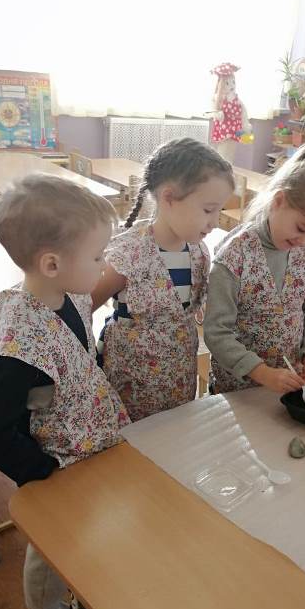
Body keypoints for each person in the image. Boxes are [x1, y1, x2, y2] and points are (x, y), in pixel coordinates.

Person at [0, 174, 129, 609]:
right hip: (57, 459)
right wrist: (37, 470)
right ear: (51, 263)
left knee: (80, 528)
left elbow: (73, 354)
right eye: (97, 256)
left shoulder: (70, 293)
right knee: (53, 542)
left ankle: (78, 578)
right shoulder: (19, 343)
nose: (105, 265)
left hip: (84, 443)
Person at [92, 138, 234, 421]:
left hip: (179, 382)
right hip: (129, 388)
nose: (215, 222)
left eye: (219, 211)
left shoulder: (200, 252)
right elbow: (83, 307)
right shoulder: (128, 254)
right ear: (169, 198)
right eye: (208, 210)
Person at [204, 142, 305, 394]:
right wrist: (263, 373)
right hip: (237, 390)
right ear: (279, 201)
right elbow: (217, 333)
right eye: (301, 229)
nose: (304, 241)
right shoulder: (236, 256)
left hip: (288, 387)